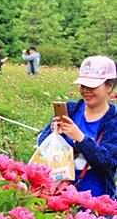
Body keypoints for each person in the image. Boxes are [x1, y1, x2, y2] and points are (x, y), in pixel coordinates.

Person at [37, 56, 117, 198]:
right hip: (58, 194)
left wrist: (80, 138)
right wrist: (53, 132)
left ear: (109, 86)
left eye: (91, 86)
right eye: (82, 85)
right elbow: (42, 147)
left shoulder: (113, 120)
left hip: (96, 199)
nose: (85, 90)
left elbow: (107, 162)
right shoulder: (70, 109)